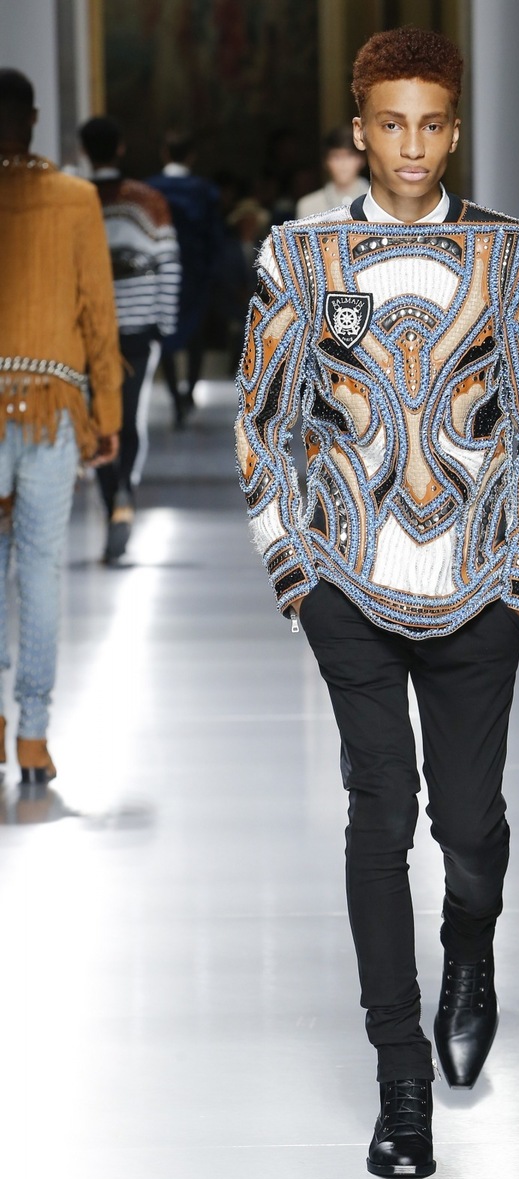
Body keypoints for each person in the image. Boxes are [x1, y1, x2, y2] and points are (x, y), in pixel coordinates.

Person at [234, 27, 519, 1179]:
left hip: (479, 591)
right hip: (348, 585)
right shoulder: (302, 259)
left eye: (431, 124)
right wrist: (295, 575)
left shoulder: (515, 255)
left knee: (466, 824)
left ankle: (469, 947)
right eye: (391, 123)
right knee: (379, 818)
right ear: (360, 129)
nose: (412, 145)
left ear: (454, 130)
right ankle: (401, 1082)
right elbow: (262, 423)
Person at [0, 69, 121, 781]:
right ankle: (33, 736)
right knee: (40, 567)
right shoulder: (76, 199)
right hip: (52, 404)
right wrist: (107, 413)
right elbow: (97, 314)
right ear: (35, 119)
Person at [79, 115, 181, 561]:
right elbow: (168, 263)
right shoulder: (148, 201)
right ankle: (124, 492)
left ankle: (111, 507)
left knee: (98, 418)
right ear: (120, 147)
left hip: (89, 331)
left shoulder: (76, 201)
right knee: (130, 416)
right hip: (141, 326)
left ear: (85, 151)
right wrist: (165, 323)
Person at [147, 131, 222, 426]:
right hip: (195, 271)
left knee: (164, 332)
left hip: (161, 271)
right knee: (195, 333)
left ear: (164, 153)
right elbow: (214, 235)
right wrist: (213, 271)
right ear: (191, 156)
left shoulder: (150, 189)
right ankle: (188, 393)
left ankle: (176, 397)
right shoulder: (204, 191)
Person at [295, 125, 368, 218]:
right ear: (326, 162)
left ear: (361, 159)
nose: (343, 164)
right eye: (336, 157)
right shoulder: (308, 206)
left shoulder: (379, 202)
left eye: (350, 156)